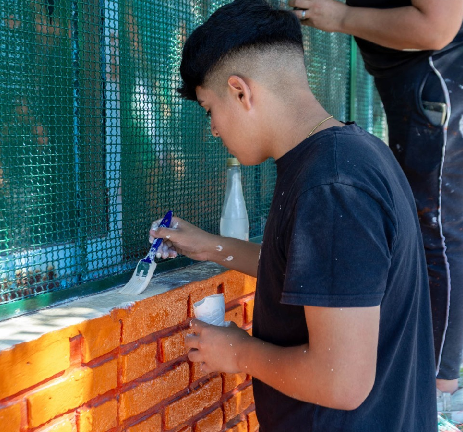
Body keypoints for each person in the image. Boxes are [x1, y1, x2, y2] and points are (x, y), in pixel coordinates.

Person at [148, 0, 436, 429]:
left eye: (210, 111)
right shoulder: (348, 156)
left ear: (240, 91)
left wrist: (238, 352)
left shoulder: (332, 185)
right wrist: (211, 247)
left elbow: (342, 382)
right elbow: (316, 274)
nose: (213, 129)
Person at [286, 0, 463, 423]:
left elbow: (437, 27)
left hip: (449, 76)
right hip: (438, 82)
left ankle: (442, 392)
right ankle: (443, 350)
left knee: (438, 236)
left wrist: (338, 17)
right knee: (432, 233)